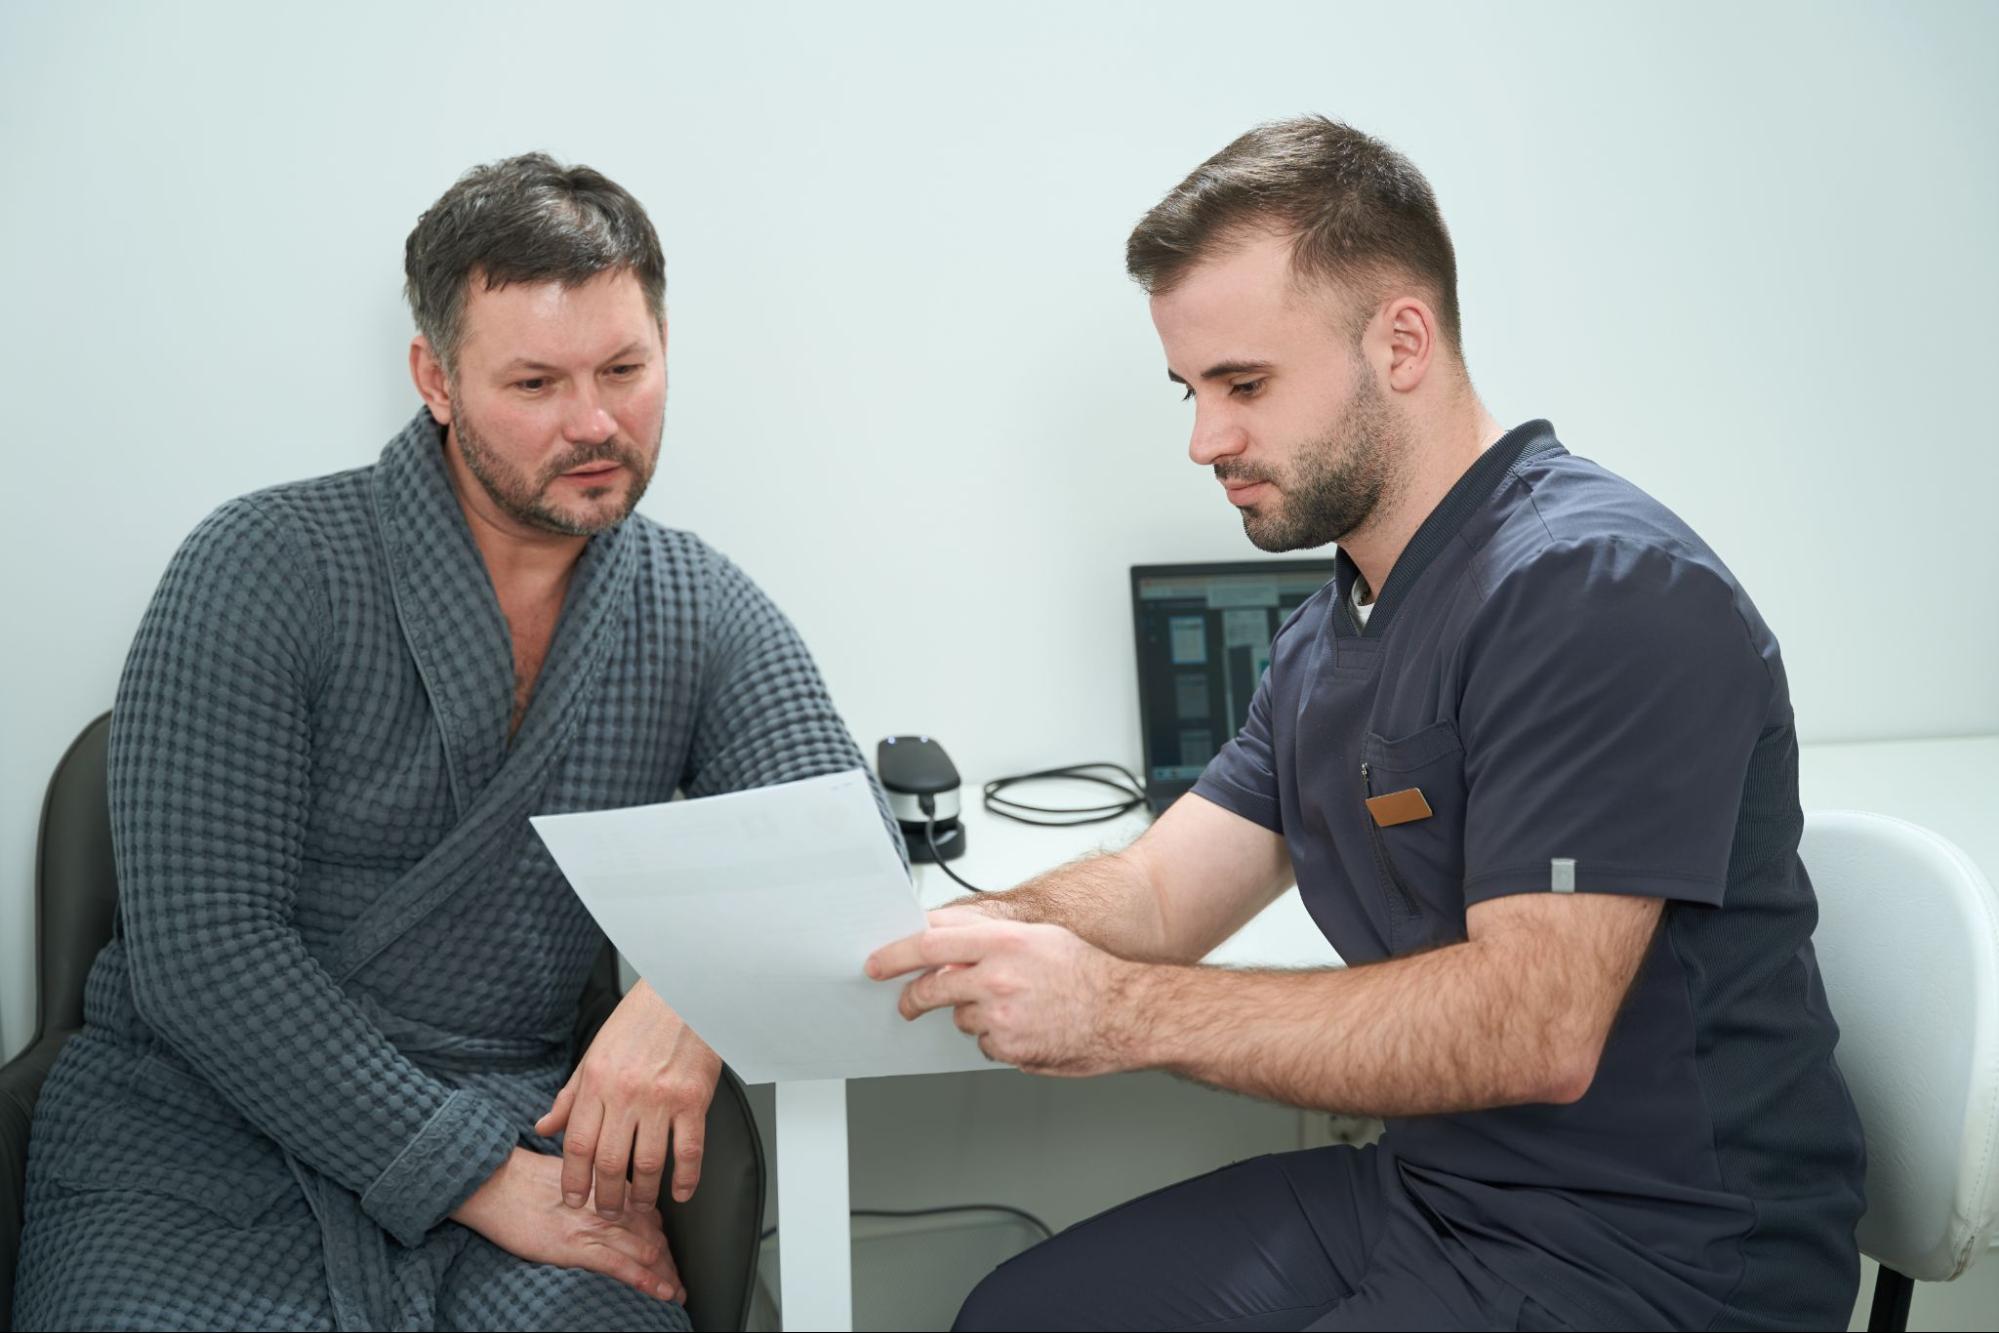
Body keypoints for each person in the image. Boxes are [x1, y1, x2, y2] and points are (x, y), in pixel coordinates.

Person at [868, 116, 1865, 1331]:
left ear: (1400, 341)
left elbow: (1532, 1027)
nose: (1204, 439)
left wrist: (1119, 1013)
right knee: (1017, 1315)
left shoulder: (1596, 590)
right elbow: (1159, 895)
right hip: (1438, 1195)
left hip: (1654, 1254)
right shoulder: (1328, 632)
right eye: (1190, 390)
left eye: (1244, 384)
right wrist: (933, 935)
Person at [15, 153, 896, 1331]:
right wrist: (474, 1179)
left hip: (524, 1123)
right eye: (534, 382)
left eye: (626, 369)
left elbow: (841, 842)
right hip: (193, 1137)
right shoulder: (259, 567)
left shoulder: (694, 607)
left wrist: (685, 998)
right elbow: (205, 953)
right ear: (435, 377)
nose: (594, 423)